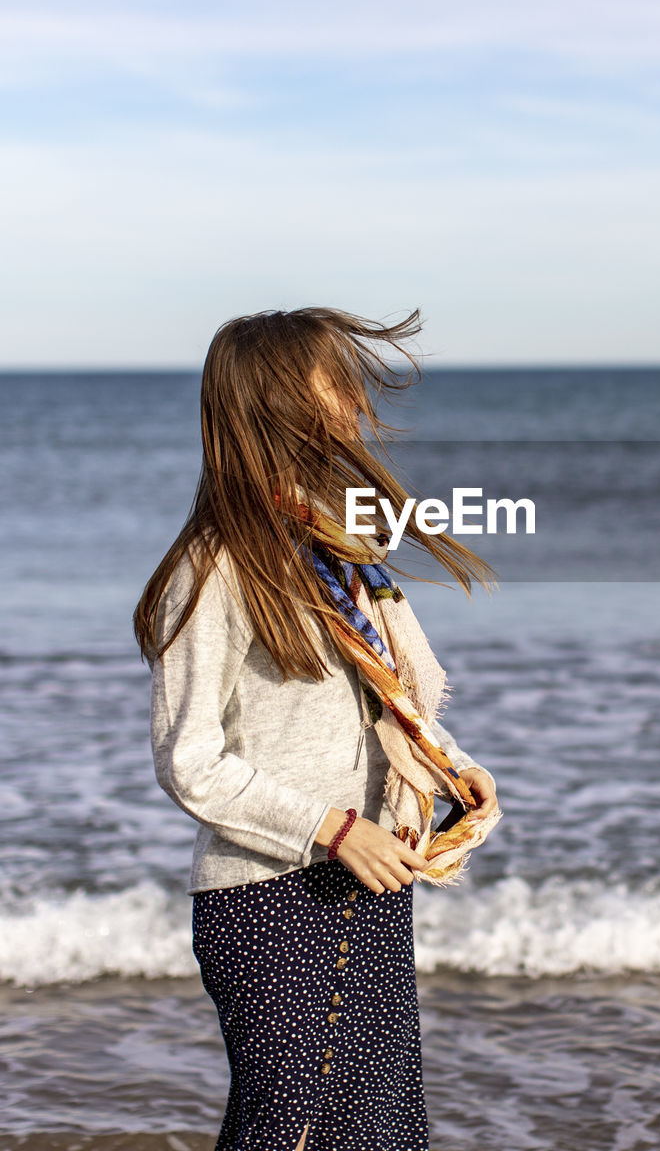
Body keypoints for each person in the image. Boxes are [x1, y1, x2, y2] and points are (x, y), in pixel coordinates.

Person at [133, 307, 502, 1151]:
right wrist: (334, 831)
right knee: (292, 1135)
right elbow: (189, 762)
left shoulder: (337, 546)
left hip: (366, 888)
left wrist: (454, 768)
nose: (353, 394)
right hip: (269, 902)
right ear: (277, 401)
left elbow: (386, 706)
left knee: (377, 1134)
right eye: (331, 376)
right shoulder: (217, 563)